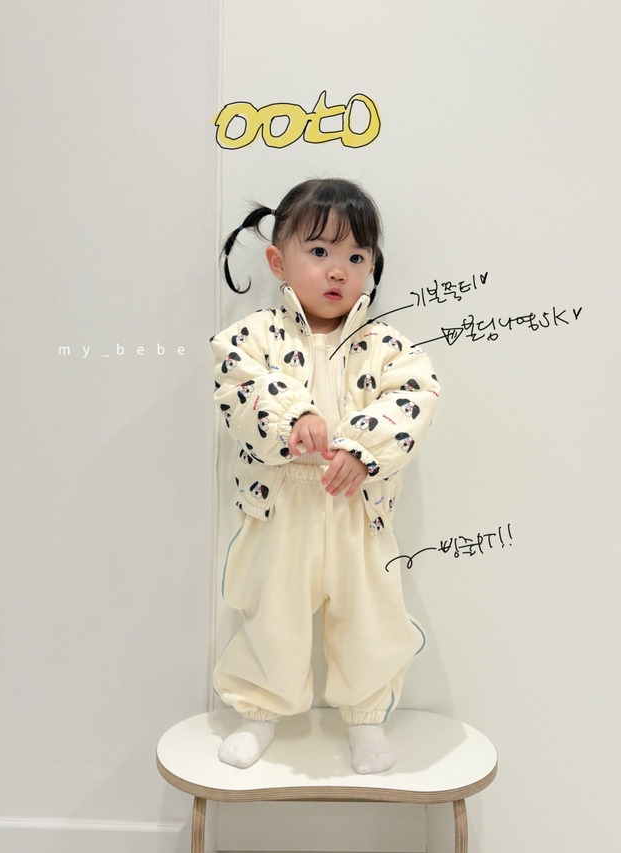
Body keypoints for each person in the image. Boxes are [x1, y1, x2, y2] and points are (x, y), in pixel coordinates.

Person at [210, 178, 440, 774]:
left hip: (357, 506)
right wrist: (294, 416)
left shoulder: (384, 344)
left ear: (372, 268)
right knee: (274, 611)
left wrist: (362, 449)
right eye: (319, 251)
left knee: (369, 616)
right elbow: (237, 382)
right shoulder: (255, 336)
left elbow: (414, 397)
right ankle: (259, 713)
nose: (338, 270)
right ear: (277, 261)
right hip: (281, 505)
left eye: (357, 257)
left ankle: (366, 719)